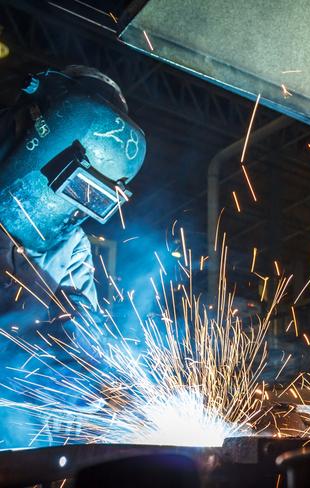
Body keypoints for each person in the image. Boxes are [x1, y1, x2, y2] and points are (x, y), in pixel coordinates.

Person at [0, 66, 146, 448]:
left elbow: (82, 321)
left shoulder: (69, 242)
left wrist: (106, 379)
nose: (67, 203)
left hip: (23, 440)